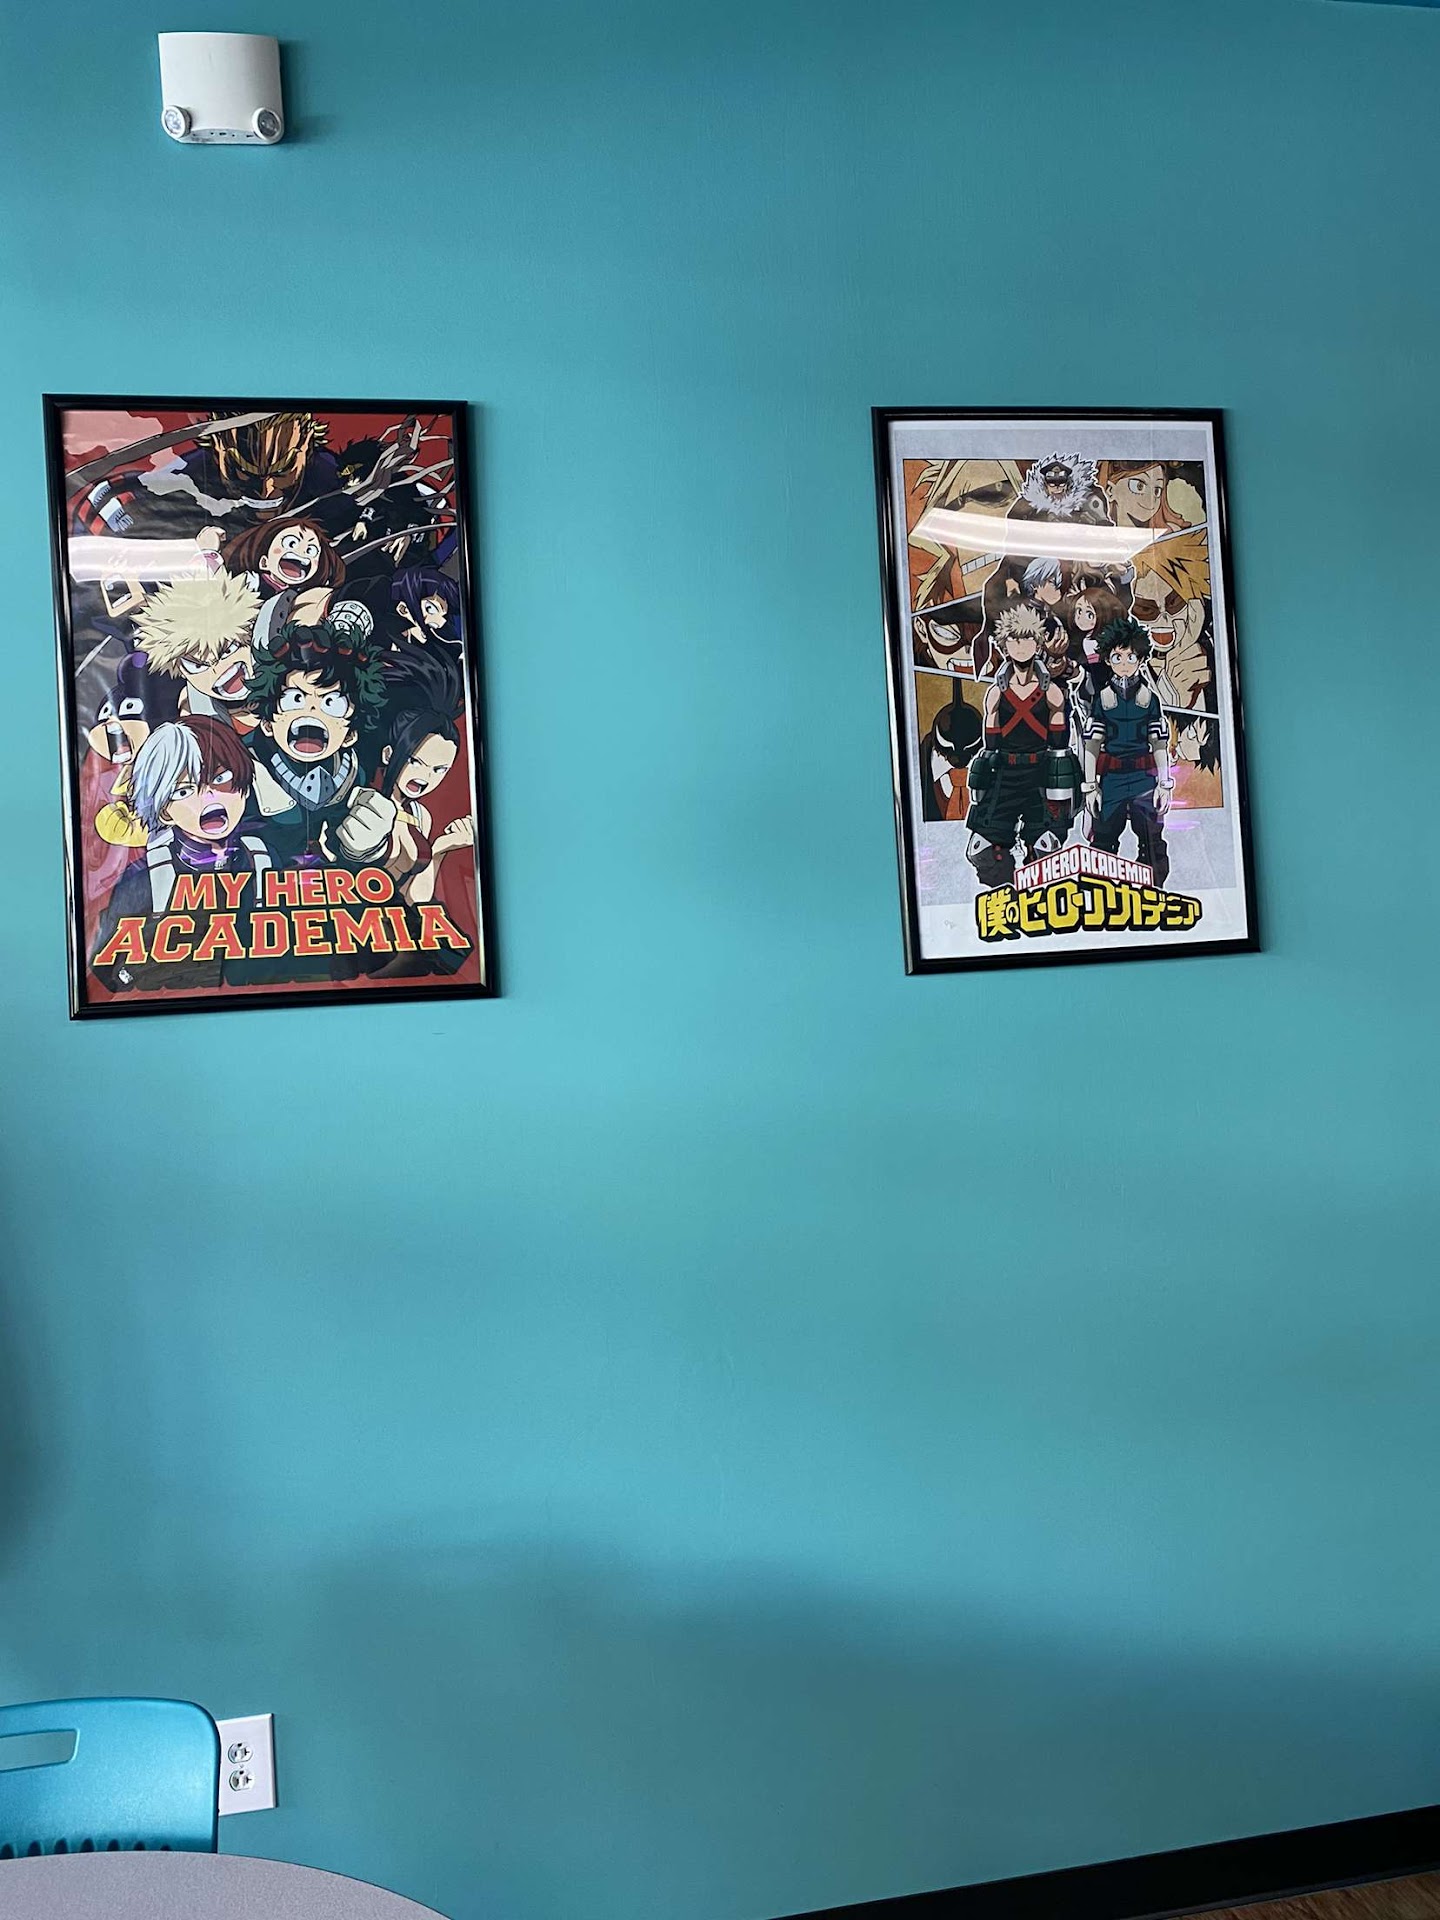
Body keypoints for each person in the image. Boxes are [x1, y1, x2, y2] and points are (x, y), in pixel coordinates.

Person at [91, 716, 276, 994]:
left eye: (220, 779)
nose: (208, 796)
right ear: (164, 810)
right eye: (184, 791)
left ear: (244, 786)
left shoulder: (261, 858)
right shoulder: (145, 878)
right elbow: (111, 969)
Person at [244, 618, 395, 868]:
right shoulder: (240, 768)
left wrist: (365, 846)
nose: (311, 712)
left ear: (350, 734)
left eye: (332, 704)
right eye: (295, 699)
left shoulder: (354, 773)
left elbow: (344, 849)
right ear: (268, 723)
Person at [966, 604, 1080, 887]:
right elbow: (990, 742)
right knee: (982, 850)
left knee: (1046, 847)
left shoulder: (1051, 691)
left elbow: (1059, 743)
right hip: (1003, 773)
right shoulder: (996, 692)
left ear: (1037, 644)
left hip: (1040, 773)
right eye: (1014, 640)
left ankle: (1038, 896)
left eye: (1027, 639)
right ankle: (1003, 897)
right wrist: (984, 773)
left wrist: (1060, 781)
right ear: (1004, 646)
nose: (1020, 646)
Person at [371, 648, 476, 904]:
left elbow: (416, 899)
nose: (426, 776)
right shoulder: (365, 803)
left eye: (439, 770)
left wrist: (442, 847)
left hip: (397, 921)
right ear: (388, 754)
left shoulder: (420, 815)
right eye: (416, 761)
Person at [1082, 620, 1173, 883]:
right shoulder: (1102, 699)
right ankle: (1101, 894)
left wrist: (1164, 784)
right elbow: (1092, 745)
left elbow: (1159, 744)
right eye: (1117, 657)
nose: (1124, 663)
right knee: (1103, 841)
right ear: (1108, 660)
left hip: (1144, 779)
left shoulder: (1149, 699)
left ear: (1141, 659)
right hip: (1112, 781)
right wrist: (1090, 787)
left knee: (1151, 841)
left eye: (1131, 657)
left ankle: (1153, 892)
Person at [131, 571, 262, 723]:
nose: (217, 669)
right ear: (182, 673)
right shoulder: (194, 706)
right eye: (197, 666)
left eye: (228, 651)